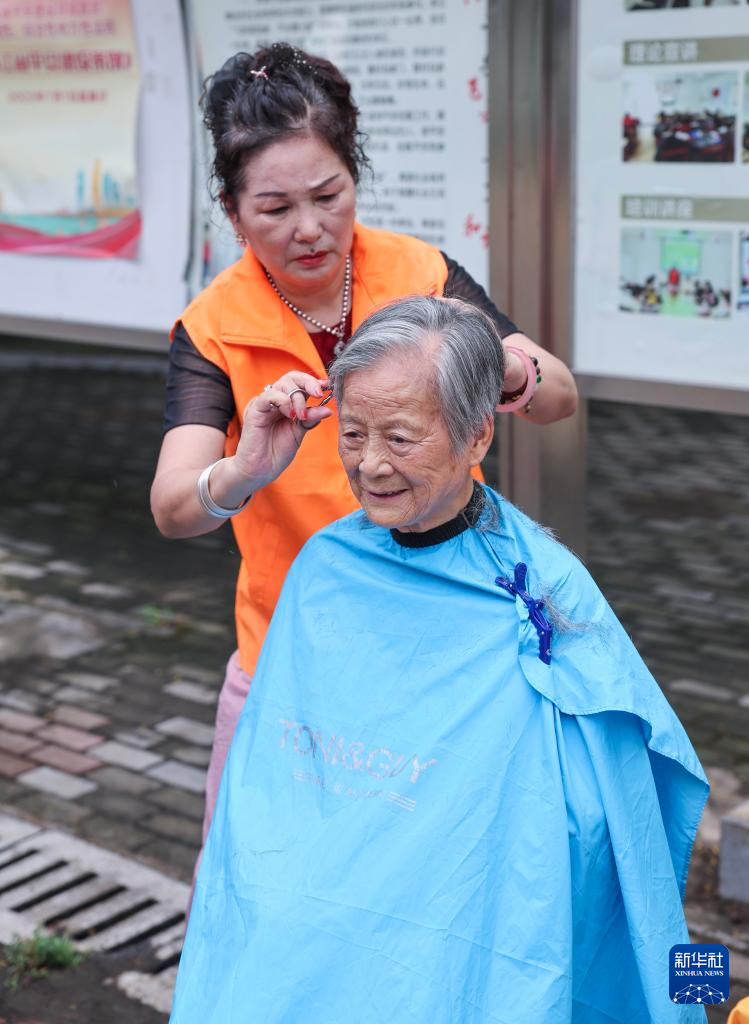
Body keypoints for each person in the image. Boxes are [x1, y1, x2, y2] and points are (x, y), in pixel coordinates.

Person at [169, 296, 707, 1024]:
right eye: (352, 434)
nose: (371, 464)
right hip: (326, 885)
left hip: (464, 897)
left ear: (477, 433)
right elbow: (271, 789)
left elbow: (628, 785)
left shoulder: (540, 589)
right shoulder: (325, 564)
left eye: (400, 436)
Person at [150, 43, 578, 848]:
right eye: (274, 208)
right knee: (271, 872)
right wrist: (242, 470)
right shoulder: (211, 328)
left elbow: (558, 395)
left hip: (446, 640)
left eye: (329, 195)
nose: (310, 230)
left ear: (355, 178)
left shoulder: (418, 274)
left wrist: (507, 369)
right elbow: (174, 508)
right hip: (291, 653)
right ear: (231, 208)